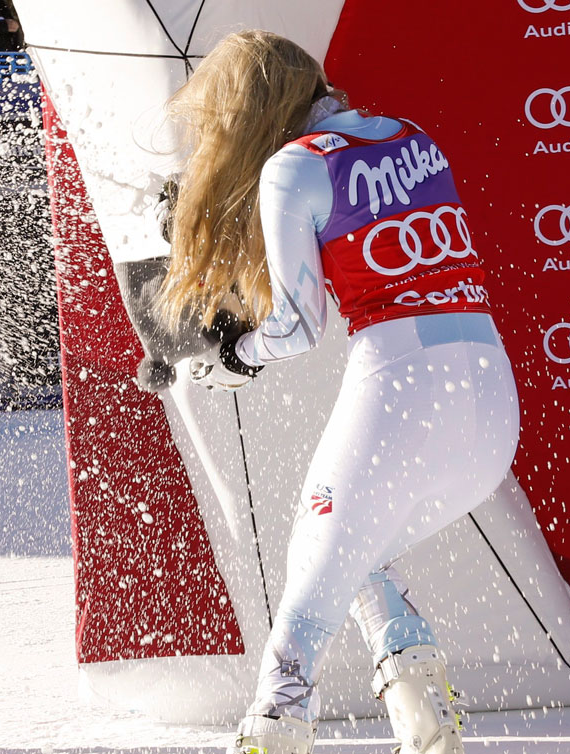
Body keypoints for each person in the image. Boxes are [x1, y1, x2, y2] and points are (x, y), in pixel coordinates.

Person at [157, 31, 520, 754]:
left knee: (314, 575)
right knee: (352, 554)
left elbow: (295, 328)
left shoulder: (294, 166)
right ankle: (427, 721)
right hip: (490, 399)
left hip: (402, 388)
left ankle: (272, 732)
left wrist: (237, 356)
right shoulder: (414, 137)